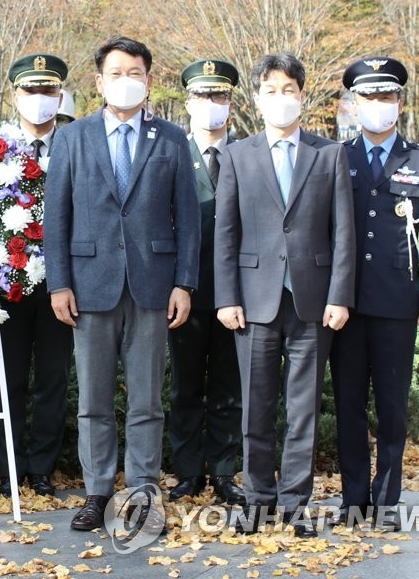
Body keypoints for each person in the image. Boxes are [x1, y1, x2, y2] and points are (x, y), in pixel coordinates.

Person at [44, 35, 200, 532]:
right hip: (89, 286)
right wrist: (59, 283)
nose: (126, 81)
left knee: (146, 400)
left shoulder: (172, 140)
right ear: (98, 81)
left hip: (154, 286)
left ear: (149, 81)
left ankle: (144, 493)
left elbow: (189, 220)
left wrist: (185, 283)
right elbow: (57, 217)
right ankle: (96, 492)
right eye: (117, 72)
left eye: (135, 72)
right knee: (91, 399)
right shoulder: (72, 138)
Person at [214, 51, 355, 537]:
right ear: (257, 98)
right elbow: (226, 233)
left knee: (303, 409)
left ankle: (296, 502)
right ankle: (257, 499)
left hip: (313, 302)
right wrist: (226, 297)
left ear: (302, 95)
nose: (281, 98)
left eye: (289, 90)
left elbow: (343, 234)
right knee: (255, 406)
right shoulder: (236, 155)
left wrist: (340, 296)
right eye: (270, 90)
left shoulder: (329, 154)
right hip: (253, 303)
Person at [332, 57, 419, 531]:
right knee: (348, 403)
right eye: (369, 97)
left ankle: (386, 500)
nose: (378, 105)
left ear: (399, 102)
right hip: (345, 303)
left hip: (399, 303)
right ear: (354, 103)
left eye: (386, 96)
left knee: (393, 407)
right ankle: (353, 498)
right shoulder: (336, 157)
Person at [0, 53, 74, 499]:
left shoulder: (76, 142)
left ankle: (41, 467)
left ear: (59, 95)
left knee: (53, 378)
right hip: (7, 286)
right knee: (9, 377)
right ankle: (9, 465)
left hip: (63, 282)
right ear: (15, 95)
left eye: (48, 90)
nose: (39, 99)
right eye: (30, 90)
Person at [167, 60, 244, 506]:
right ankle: (188, 471)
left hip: (236, 293)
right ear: (188, 102)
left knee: (229, 388)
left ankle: (225, 470)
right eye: (202, 96)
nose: (211, 105)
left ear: (230, 103)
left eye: (218, 96)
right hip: (187, 292)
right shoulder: (173, 151)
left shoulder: (246, 154)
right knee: (185, 387)